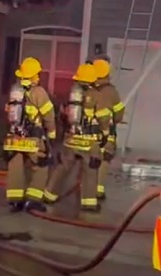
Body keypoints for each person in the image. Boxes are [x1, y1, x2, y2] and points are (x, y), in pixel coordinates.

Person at [44, 62, 111, 212]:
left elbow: (63, 113)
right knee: (90, 170)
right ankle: (88, 203)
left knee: (63, 167)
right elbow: (104, 118)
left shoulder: (72, 93)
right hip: (89, 141)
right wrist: (105, 133)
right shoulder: (96, 95)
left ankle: (49, 195)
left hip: (71, 139)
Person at [3, 56, 57, 213]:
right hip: (33, 138)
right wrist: (52, 134)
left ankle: (15, 201)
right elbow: (49, 116)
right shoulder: (39, 92)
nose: (39, 77)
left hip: (14, 137)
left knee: (16, 168)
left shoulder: (15, 90)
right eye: (37, 74)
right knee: (41, 166)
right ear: (33, 76)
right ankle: (33, 201)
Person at [90, 57, 124, 201]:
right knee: (105, 159)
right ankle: (98, 190)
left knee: (89, 161)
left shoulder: (88, 89)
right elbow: (119, 114)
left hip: (88, 134)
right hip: (106, 132)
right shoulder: (111, 91)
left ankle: (86, 189)